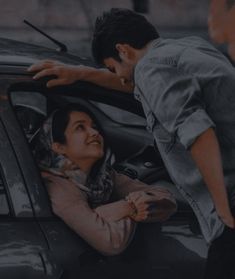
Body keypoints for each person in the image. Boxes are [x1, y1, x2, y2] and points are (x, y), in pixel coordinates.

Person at [28, 8, 235, 278]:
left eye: (114, 68)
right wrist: (82, 74)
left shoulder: (151, 69)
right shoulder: (187, 48)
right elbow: (136, 83)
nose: (122, 79)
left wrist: (222, 210)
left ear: (124, 50)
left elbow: (199, 132)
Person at [35, 103, 177, 256]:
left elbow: (166, 198)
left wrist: (134, 203)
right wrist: (129, 207)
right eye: (80, 128)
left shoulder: (104, 177)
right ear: (59, 147)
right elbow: (110, 242)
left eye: (94, 126)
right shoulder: (58, 187)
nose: (94, 132)